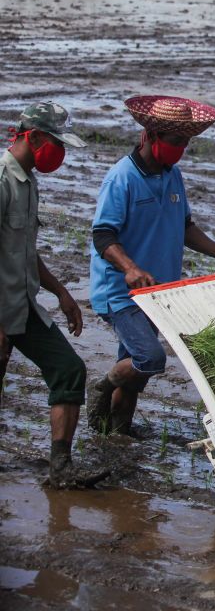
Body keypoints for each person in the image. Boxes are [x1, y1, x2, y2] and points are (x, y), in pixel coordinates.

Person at [87, 96, 215, 436]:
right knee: (149, 359)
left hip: (158, 291)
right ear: (150, 136)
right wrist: (129, 268)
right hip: (122, 293)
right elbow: (103, 235)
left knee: (133, 367)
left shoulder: (172, 177)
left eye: (185, 143)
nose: (180, 149)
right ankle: (99, 388)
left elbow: (185, 226)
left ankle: (116, 431)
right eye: (175, 142)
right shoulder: (122, 178)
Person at [1, 102, 108, 489]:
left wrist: (61, 292)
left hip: (21, 303)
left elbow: (24, 251)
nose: (59, 153)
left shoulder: (28, 182)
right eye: (56, 143)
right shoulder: (1, 179)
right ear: (34, 137)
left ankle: (60, 469)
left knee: (68, 368)